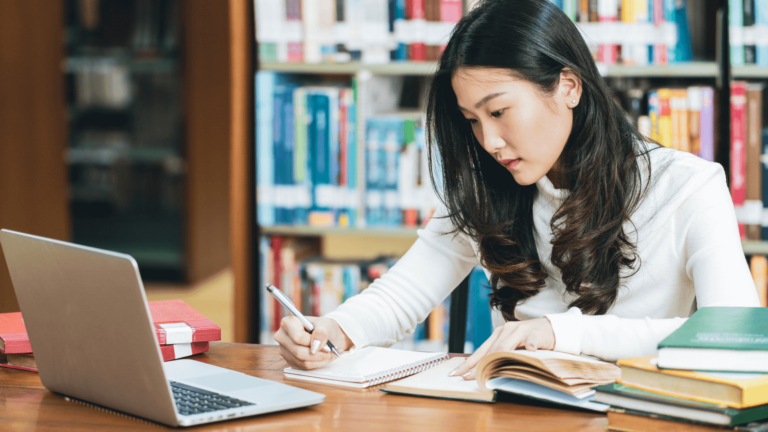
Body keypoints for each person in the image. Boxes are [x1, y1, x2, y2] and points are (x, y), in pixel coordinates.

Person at [274, 0, 760, 378]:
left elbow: (730, 334)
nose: (488, 141)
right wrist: (336, 328)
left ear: (568, 86)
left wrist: (557, 332)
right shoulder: (493, 187)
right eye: (472, 121)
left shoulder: (688, 187)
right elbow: (402, 294)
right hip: (518, 412)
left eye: (500, 111)